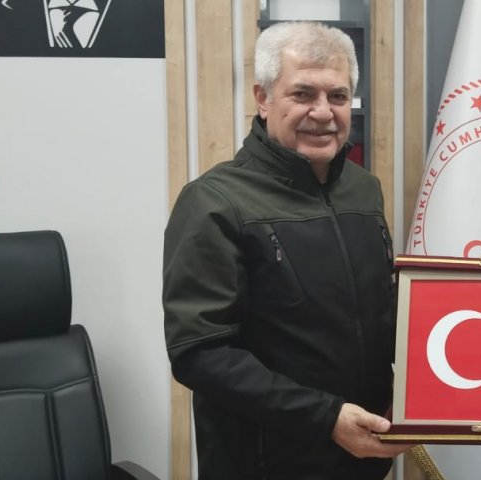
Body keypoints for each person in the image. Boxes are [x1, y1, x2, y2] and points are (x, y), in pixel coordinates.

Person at [163, 21, 409, 479]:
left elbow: (380, 311)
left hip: (364, 459)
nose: (324, 112)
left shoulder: (364, 190)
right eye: (303, 94)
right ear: (263, 98)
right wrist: (326, 418)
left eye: (338, 96)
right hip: (265, 465)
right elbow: (200, 353)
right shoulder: (215, 202)